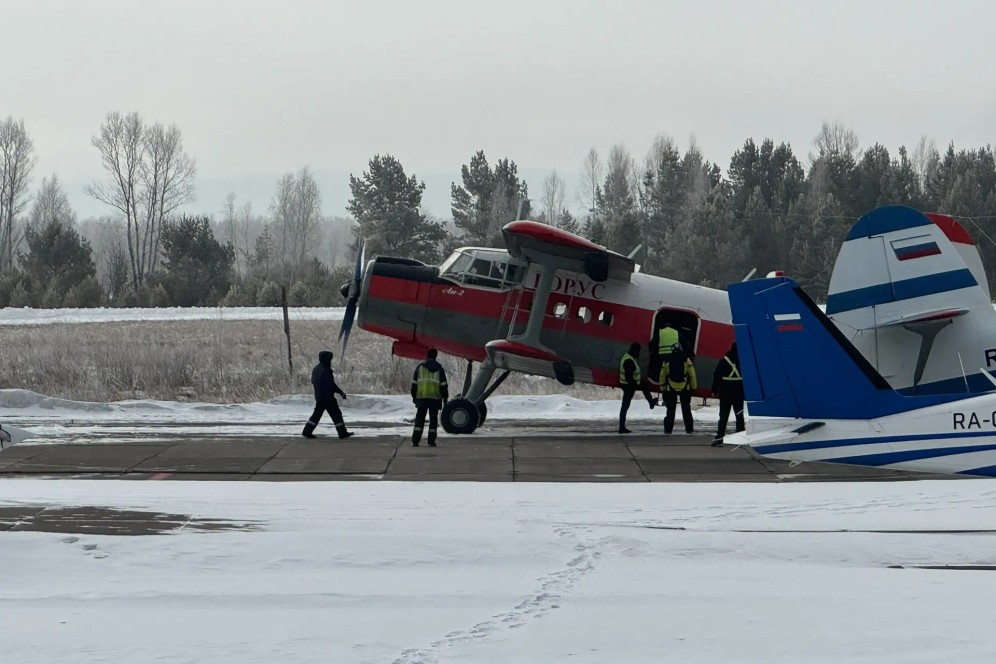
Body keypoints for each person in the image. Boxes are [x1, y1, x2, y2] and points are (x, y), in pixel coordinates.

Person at [302, 350, 354, 439]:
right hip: (328, 397)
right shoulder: (326, 369)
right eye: (330, 359)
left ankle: (307, 431)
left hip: (319, 396)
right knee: (336, 414)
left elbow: (313, 381)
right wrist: (340, 392)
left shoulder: (316, 369)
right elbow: (331, 384)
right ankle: (342, 433)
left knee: (316, 414)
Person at [411, 348, 449, 447]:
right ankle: (431, 441)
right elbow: (443, 385)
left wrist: (414, 397)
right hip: (435, 399)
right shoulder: (439, 369)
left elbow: (414, 384)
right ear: (435, 356)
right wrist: (445, 398)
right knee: (433, 421)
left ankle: (415, 440)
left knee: (419, 420)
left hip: (422, 398)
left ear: (427, 355)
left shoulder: (420, 368)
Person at [711, 342, 745, 446]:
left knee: (724, 415)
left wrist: (714, 390)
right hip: (739, 392)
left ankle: (720, 435)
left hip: (726, 392)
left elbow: (717, 375)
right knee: (739, 415)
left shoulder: (724, 360)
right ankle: (740, 435)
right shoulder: (743, 360)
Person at [618, 342, 656, 434]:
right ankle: (621, 427)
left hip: (632, 383)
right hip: (628, 385)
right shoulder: (629, 361)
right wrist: (634, 386)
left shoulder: (631, 356)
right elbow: (628, 377)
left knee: (644, 386)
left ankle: (651, 402)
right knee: (625, 405)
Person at [659, 346, 697, 434]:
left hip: (671, 388)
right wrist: (693, 387)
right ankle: (689, 428)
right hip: (684, 388)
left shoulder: (667, 361)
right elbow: (692, 375)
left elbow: (662, 375)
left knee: (670, 410)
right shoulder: (686, 361)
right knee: (686, 409)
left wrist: (663, 388)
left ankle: (668, 429)